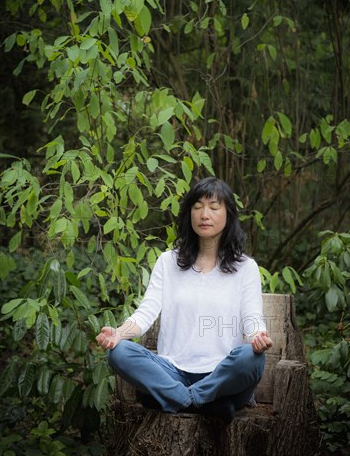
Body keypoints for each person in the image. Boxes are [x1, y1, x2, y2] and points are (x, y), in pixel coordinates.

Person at [96, 177, 273, 422]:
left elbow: (252, 317)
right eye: (197, 206)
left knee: (251, 359)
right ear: (189, 213)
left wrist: (258, 337)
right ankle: (200, 403)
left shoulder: (246, 268)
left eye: (213, 206)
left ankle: (177, 399)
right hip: (173, 372)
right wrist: (119, 333)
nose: (204, 214)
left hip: (221, 375)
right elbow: (146, 312)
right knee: (119, 353)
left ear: (228, 214)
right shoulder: (168, 262)